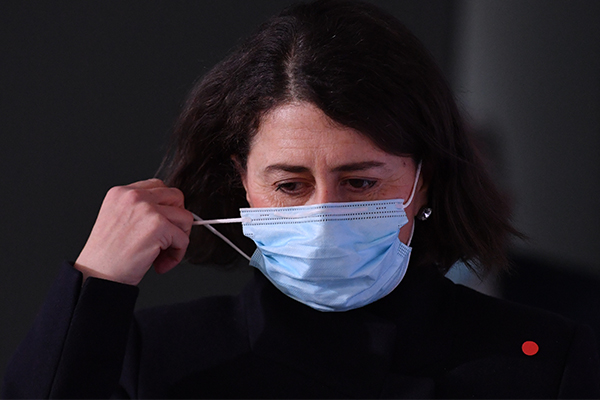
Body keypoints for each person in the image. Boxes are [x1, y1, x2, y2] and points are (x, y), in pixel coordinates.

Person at [3, 0, 599, 398]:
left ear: (426, 180)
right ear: (243, 182)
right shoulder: (154, 356)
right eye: (289, 186)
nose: (323, 215)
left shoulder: (543, 361)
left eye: (360, 183)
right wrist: (97, 280)